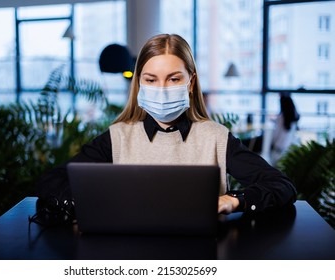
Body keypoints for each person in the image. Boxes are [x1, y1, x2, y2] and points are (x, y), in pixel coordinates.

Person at [36, 34, 296, 216]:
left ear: (190, 83)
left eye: (173, 79)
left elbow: (281, 186)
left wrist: (233, 200)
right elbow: (52, 182)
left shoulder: (216, 138)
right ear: (139, 83)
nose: (161, 89)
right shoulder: (117, 137)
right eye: (151, 79)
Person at [270, 92, 300, 164]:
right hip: (288, 148)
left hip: (279, 148)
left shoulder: (282, 118)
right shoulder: (294, 118)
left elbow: (275, 135)